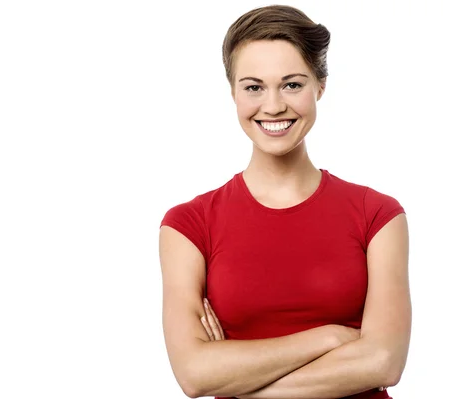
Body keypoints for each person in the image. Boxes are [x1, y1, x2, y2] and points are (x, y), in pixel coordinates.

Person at [158, 5, 411, 399]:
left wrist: (239, 380)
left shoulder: (377, 215)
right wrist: (327, 338)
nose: (273, 105)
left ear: (320, 86)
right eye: (253, 87)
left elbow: (383, 362)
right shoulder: (188, 225)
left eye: (292, 84)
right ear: (233, 92)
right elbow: (194, 374)